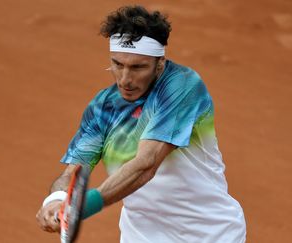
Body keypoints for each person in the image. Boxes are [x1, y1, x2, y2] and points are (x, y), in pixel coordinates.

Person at [36, 5, 246, 243]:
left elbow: (146, 165)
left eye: (138, 67)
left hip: (211, 235)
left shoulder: (182, 87)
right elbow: (74, 172)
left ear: (160, 63)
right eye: (118, 64)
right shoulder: (103, 107)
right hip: (142, 237)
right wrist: (57, 200)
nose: (125, 79)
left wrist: (84, 207)